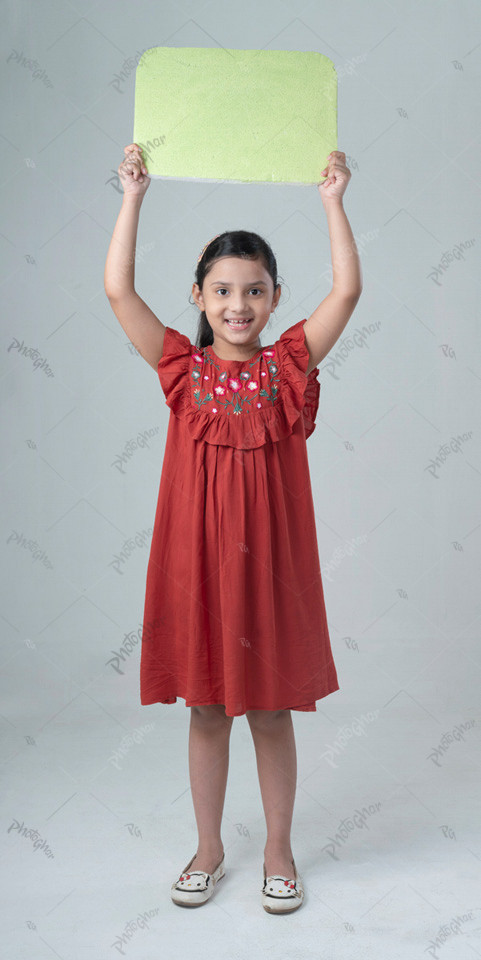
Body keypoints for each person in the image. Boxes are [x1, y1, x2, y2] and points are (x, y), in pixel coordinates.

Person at [104, 144, 362, 913]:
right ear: (199, 294)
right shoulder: (181, 369)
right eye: (221, 290)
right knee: (207, 706)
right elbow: (117, 288)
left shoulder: (289, 367)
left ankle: (278, 850)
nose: (237, 304)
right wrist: (133, 196)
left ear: (275, 297)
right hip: (199, 564)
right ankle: (209, 848)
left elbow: (347, 289)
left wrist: (331, 201)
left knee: (272, 708)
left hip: (270, 568)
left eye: (253, 291)